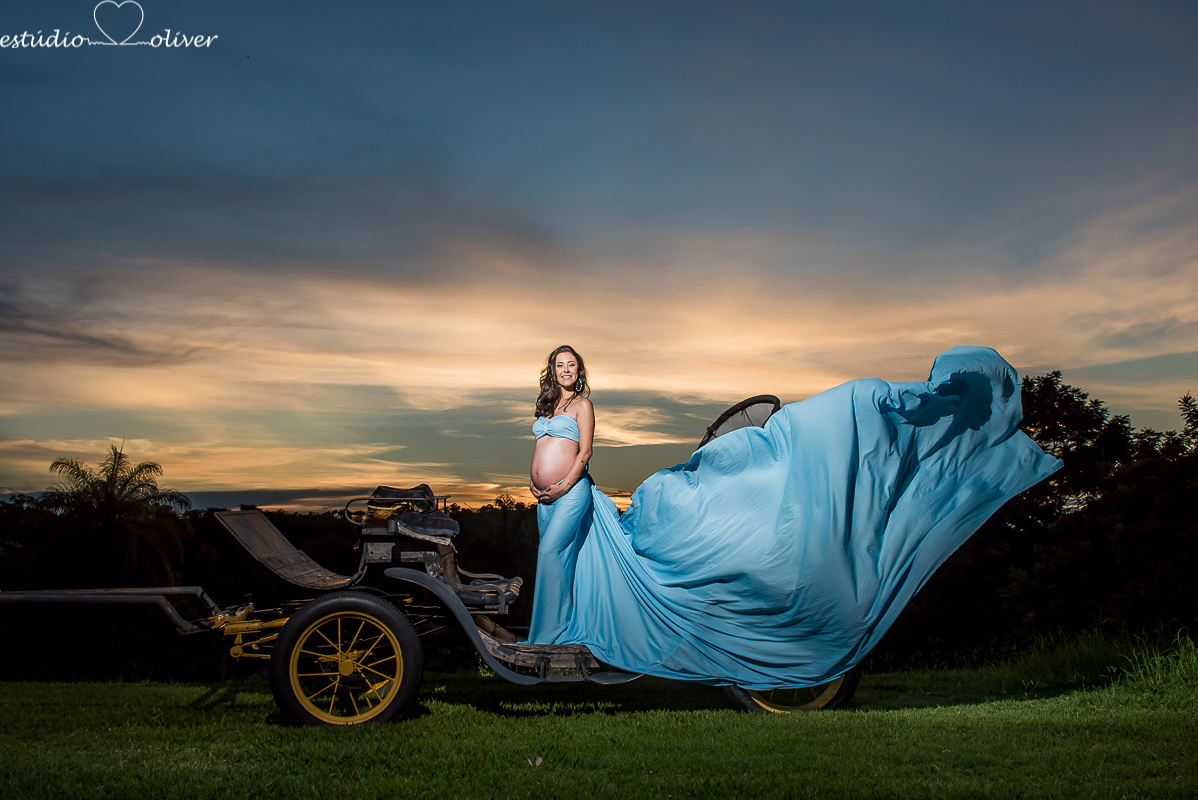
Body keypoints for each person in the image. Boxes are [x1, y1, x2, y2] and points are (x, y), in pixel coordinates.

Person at [526, 344, 1062, 689]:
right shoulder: (550, 408)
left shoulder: (583, 406)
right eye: (559, 365)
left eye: (572, 365)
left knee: (555, 557)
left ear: (580, 371)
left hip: (568, 493)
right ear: (552, 372)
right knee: (562, 562)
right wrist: (538, 482)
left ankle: (544, 642)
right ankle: (554, 634)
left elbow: (584, 452)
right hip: (546, 499)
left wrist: (563, 483)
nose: (566, 371)